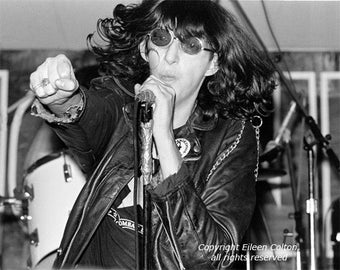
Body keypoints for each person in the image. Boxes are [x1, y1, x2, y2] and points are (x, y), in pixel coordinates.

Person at [29, 0, 276, 269]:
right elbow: (87, 114)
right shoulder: (119, 105)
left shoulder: (232, 137)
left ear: (213, 64)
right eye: (160, 39)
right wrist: (60, 97)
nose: (170, 56)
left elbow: (209, 258)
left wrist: (163, 135)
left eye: (190, 45)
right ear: (146, 50)